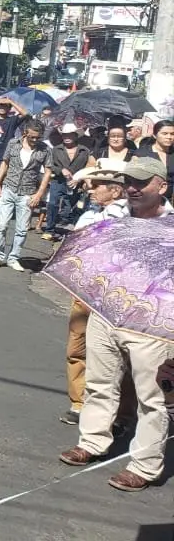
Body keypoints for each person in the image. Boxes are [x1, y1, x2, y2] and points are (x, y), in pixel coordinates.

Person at [60, 156, 173, 492]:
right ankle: (92, 442)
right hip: (107, 311)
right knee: (99, 382)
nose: (133, 188)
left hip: (152, 323)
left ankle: (145, 465)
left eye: (141, 182)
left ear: (161, 186)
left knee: (153, 398)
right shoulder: (112, 215)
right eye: (129, 182)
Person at [60, 160, 134, 426]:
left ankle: (119, 413)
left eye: (98, 184)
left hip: (114, 294)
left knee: (119, 355)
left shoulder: (129, 216)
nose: (90, 188)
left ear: (116, 191)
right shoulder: (91, 214)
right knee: (77, 346)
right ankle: (79, 402)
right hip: (85, 288)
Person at [0, 120, 50, 272]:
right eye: (32, 137)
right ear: (25, 133)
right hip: (9, 187)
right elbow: (5, 163)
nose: (35, 140)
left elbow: (48, 172)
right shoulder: (13, 143)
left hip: (28, 192)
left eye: (38, 137)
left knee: (22, 229)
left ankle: (13, 258)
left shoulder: (44, 149)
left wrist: (39, 193)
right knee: (1, 225)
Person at [42, 123, 91, 241]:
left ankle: (67, 232)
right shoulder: (56, 149)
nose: (67, 137)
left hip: (75, 183)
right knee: (53, 204)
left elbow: (88, 167)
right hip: (58, 181)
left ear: (75, 136)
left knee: (70, 208)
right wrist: (61, 170)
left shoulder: (84, 151)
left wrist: (79, 179)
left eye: (69, 135)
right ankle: (50, 229)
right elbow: (49, 166)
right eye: (64, 135)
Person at [137, 118, 173, 200]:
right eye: (165, 133)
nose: (169, 137)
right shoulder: (142, 154)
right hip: (148, 199)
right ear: (154, 135)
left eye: (172, 134)